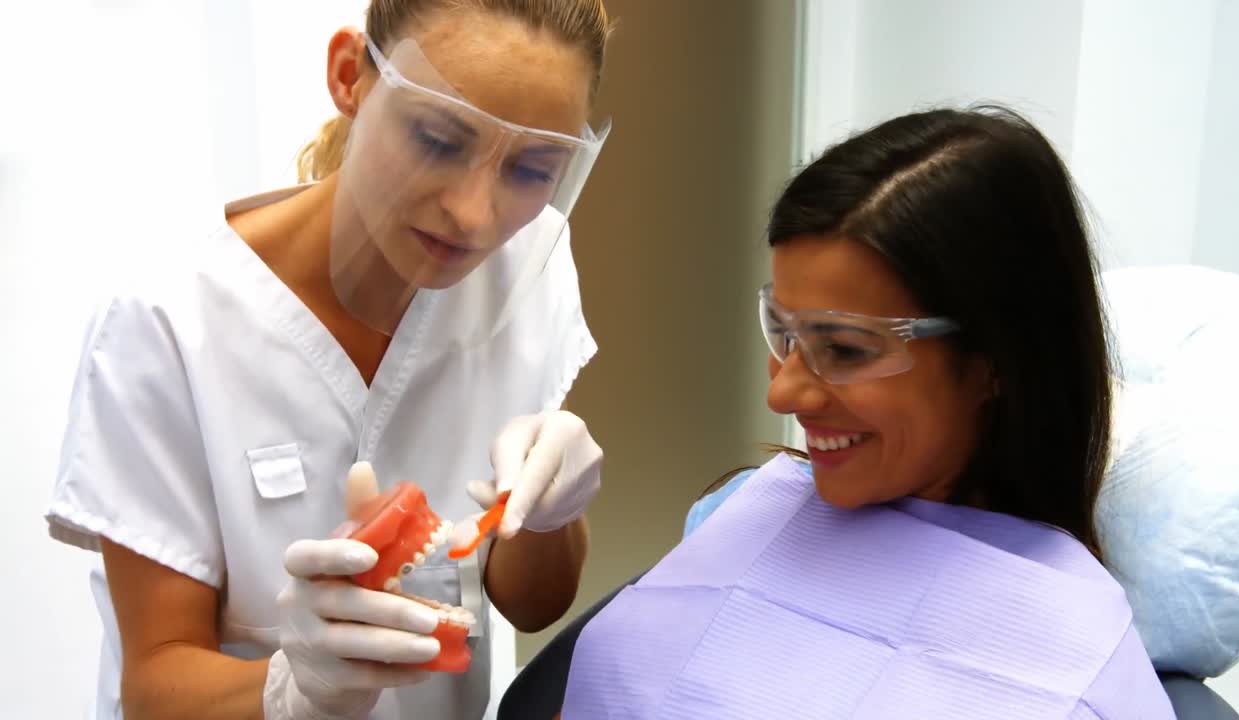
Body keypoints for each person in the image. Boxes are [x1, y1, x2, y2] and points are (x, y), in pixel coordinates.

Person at [45, 1, 613, 718]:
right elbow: (154, 688)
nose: (475, 215)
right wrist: (294, 687)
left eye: (534, 169)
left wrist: (550, 514)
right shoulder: (168, 322)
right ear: (350, 77)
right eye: (438, 141)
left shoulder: (532, 267)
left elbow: (534, 604)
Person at [551, 107, 1176, 718]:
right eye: (783, 332)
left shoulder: (1078, 669)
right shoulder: (738, 514)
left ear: (994, 361)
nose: (783, 395)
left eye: (845, 348)